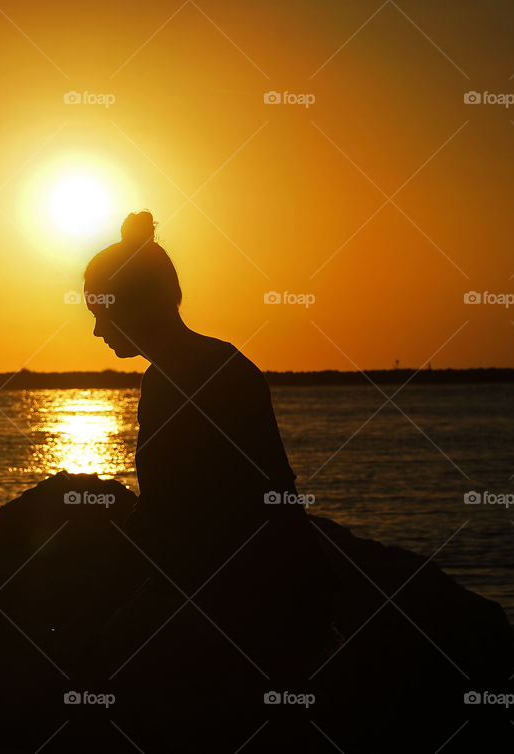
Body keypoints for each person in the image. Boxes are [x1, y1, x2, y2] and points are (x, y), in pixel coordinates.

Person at [82, 211, 338, 682]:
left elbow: (249, 497)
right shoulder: (188, 372)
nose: (97, 331)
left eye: (100, 314)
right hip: (230, 580)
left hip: (242, 594)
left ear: (134, 306)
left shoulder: (200, 376)